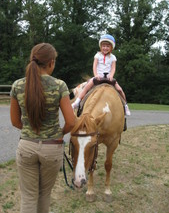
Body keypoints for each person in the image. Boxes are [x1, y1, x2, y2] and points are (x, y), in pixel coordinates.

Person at [10, 43, 75, 213]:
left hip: (26, 147)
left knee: (29, 196)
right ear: (51, 62)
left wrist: (30, 132)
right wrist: (58, 134)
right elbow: (71, 121)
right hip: (52, 148)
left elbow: (15, 121)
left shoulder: (17, 86)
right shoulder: (59, 86)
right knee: (44, 194)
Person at [72, 34, 131, 116]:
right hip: (98, 77)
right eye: (103, 46)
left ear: (111, 47)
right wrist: (96, 75)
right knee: (87, 87)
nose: (105, 48)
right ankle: (77, 102)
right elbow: (95, 66)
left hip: (108, 78)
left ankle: (125, 105)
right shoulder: (97, 55)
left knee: (120, 90)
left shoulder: (113, 57)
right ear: (101, 46)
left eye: (107, 46)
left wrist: (111, 76)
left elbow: (113, 68)